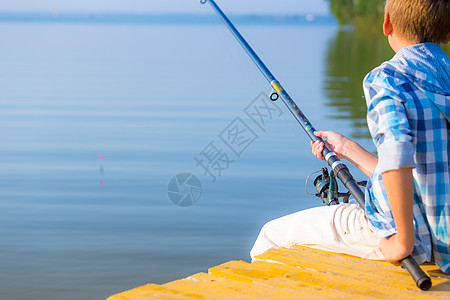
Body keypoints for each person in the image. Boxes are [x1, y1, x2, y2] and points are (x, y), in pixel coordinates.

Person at [250, 0, 450, 274]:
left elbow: (397, 155)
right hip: (444, 240)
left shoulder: (387, 80)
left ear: (387, 22)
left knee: (271, 236)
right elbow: (423, 172)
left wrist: (403, 242)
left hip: (409, 235)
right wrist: (346, 148)